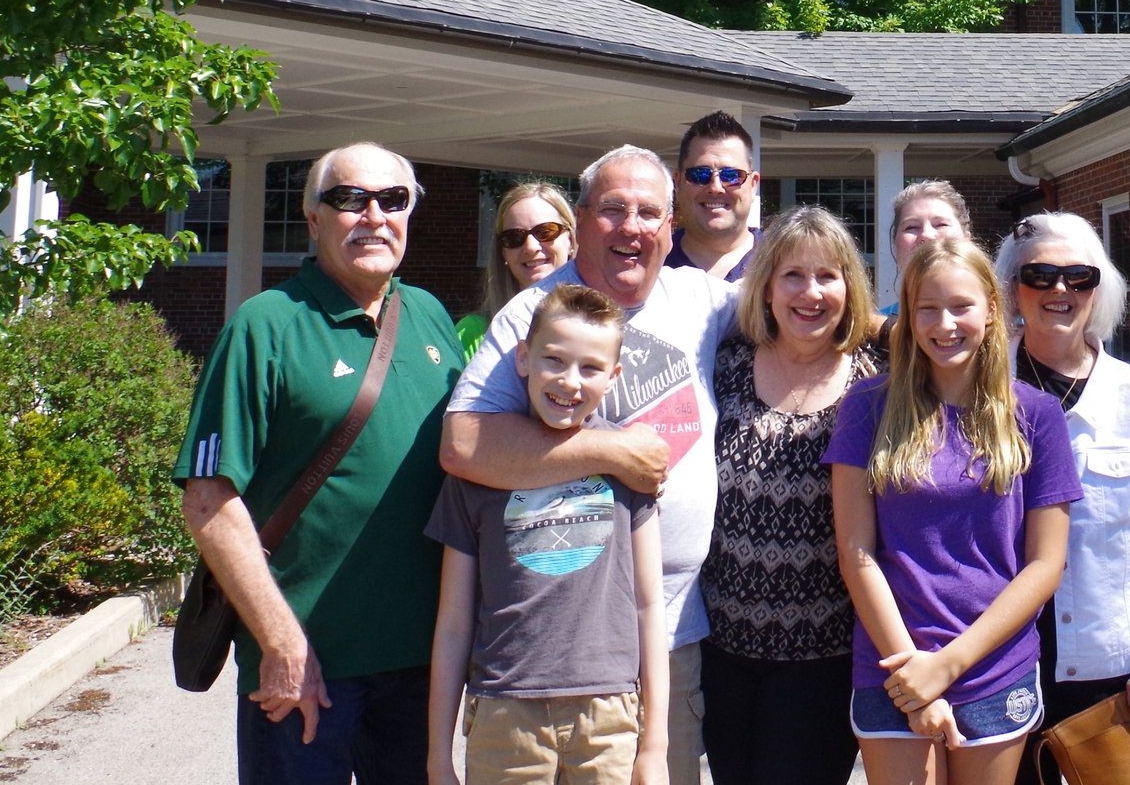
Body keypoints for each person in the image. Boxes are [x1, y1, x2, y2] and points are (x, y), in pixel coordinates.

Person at [175, 142, 465, 785]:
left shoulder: (430, 315)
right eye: (349, 199)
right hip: (305, 664)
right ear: (312, 219)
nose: (374, 215)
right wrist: (280, 641)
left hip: (422, 665)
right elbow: (209, 502)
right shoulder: (265, 326)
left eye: (393, 200)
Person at [445, 146, 729, 785]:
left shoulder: (704, 299)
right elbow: (462, 445)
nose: (632, 226)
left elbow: (807, 313)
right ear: (580, 220)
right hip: (545, 645)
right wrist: (611, 451)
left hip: (668, 633)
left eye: (649, 213)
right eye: (613, 210)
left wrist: (898, 332)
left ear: (669, 227)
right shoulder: (534, 311)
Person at [824, 238, 1081, 785]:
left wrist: (948, 665)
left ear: (992, 308)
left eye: (961, 306)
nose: (945, 324)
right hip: (893, 663)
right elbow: (856, 551)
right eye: (927, 308)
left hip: (993, 667)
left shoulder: (1036, 415)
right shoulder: (867, 407)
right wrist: (913, 677)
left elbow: (1045, 564)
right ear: (908, 316)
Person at [427, 284, 669, 785]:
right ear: (523, 359)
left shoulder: (629, 469)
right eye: (554, 360)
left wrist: (655, 746)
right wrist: (437, 756)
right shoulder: (479, 473)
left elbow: (650, 605)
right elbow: (452, 624)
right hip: (504, 710)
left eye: (590, 367)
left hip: (608, 712)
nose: (569, 381)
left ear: (614, 377)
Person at [991, 214, 1130, 741]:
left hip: (1115, 668)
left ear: (1100, 286)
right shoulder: (973, 393)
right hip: (997, 662)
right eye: (1040, 275)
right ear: (1010, 287)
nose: (1060, 289)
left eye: (1079, 276)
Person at [699, 206, 884, 785]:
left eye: (828, 276)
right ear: (768, 287)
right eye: (793, 276)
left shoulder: (877, 379)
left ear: (850, 288)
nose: (811, 292)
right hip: (722, 646)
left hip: (824, 655)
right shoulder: (723, 365)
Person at [457, 180, 575, 357]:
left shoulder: (605, 324)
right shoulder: (472, 333)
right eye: (514, 237)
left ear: (571, 242)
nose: (530, 247)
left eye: (545, 232)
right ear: (503, 252)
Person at [666, 111, 760, 279]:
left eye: (731, 175)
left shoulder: (785, 263)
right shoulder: (650, 268)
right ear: (678, 183)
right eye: (700, 175)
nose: (716, 187)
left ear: (753, 185)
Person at [879, 181, 972, 331]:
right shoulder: (866, 336)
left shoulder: (1014, 331)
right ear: (895, 246)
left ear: (967, 241)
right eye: (912, 227)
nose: (926, 235)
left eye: (941, 224)